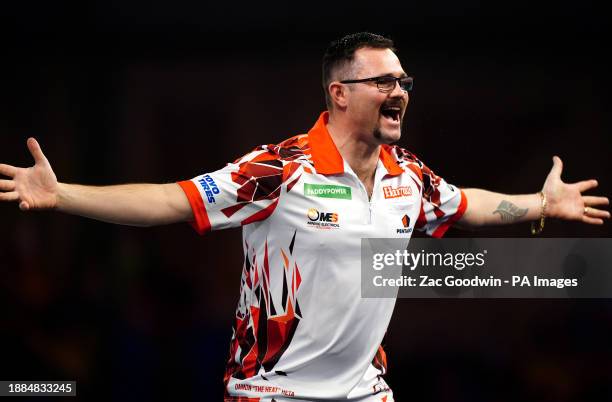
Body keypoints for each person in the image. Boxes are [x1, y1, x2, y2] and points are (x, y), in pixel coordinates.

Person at [0, 32, 609, 401]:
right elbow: (169, 199)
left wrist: (541, 204)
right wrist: (65, 195)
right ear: (340, 92)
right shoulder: (280, 168)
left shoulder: (408, 176)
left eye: (405, 80)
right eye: (383, 81)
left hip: (367, 390)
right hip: (273, 391)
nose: (399, 91)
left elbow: (466, 204)